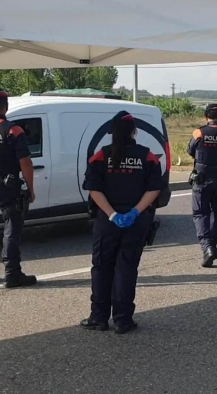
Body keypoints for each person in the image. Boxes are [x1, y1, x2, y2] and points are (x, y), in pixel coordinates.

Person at [80, 111, 162, 334]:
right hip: (136, 222)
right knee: (126, 268)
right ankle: (123, 320)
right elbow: (154, 189)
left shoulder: (100, 156)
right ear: (134, 131)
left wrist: (111, 214)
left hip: (106, 222)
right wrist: (135, 212)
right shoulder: (148, 157)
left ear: (112, 133)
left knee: (101, 267)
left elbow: (93, 189)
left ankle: (98, 318)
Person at [0, 88, 37, 289]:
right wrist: (30, 187)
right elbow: (25, 162)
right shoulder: (13, 130)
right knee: (12, 225)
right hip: (6, 184)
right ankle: (12, 273)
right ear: (6, 106)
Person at [188, 103, 217, 268]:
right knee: (216, 212)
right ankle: (212, 247)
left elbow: (190, 151)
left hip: (202, 180)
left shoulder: (199, 132)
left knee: (200, 213)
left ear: (206, 116)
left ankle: (207, 247)